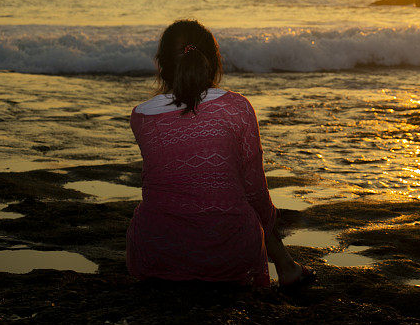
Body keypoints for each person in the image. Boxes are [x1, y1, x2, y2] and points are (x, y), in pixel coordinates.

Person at [126, 19, 313, 288]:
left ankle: (288, 267)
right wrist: (271, 227)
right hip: (228, 255)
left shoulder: (141, 116)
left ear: (161, 64)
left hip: (156, 254)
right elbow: (255, 191)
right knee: (246, 204)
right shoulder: (236, 108)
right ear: (212, 62)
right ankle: (288, 267)